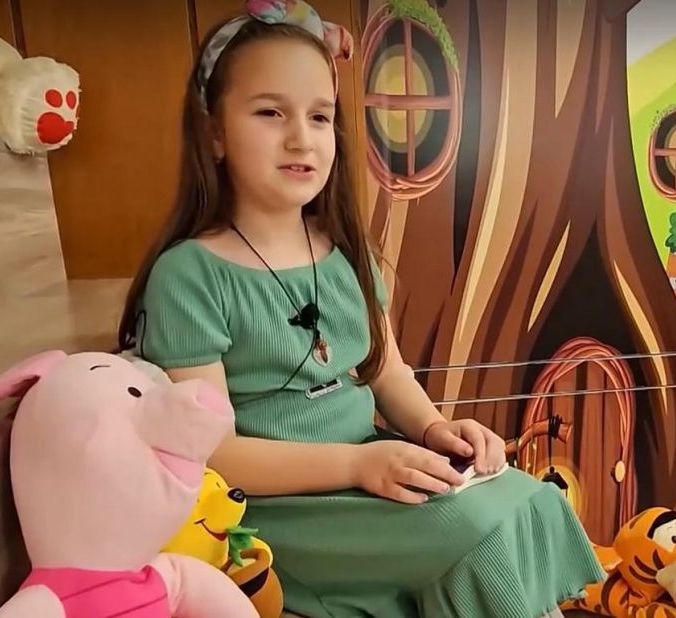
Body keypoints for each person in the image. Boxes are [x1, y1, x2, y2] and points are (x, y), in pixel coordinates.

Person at [116, 2, 605, 617]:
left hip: (370, 466)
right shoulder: (189, 274)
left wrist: (434, 430)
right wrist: (357, 463)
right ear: (213, 132)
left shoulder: (346, 252)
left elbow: (386, 371)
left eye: (320, 116)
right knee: (474, 532)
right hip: (277, 505)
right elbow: (216, 454)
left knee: (528, 499)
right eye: (270, 112)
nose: (301, 137)